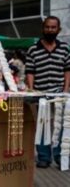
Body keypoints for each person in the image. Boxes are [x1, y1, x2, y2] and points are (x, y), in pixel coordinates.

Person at [25, 15, 70, 168]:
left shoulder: (64, 48)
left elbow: (67, 70)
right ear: (43, 28)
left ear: (58, 29)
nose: (50, 30)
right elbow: (30, 71)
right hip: (41, 94)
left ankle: (60, 156)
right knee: (43, 125)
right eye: (47, 27)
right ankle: (44, 157)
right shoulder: (33, 49)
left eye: (53, 27)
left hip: (59, 93)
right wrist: (32, 89)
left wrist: (65, 90)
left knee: (60, 126)